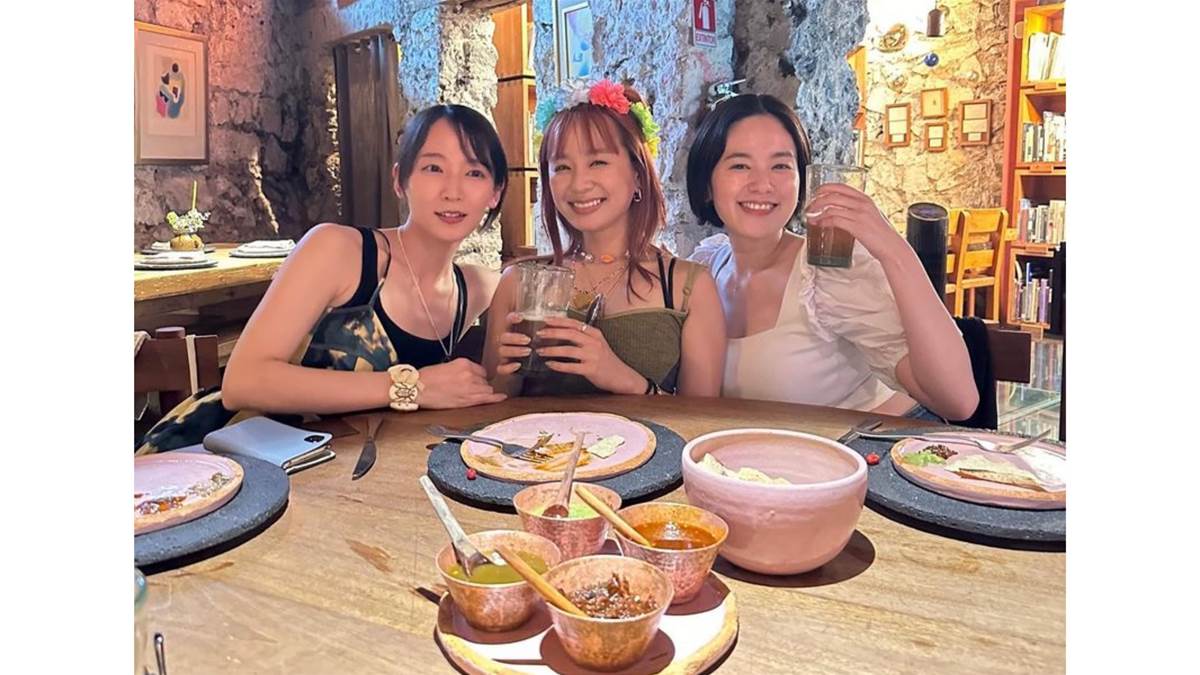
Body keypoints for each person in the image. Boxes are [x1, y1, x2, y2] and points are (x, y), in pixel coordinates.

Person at [139, 104, 509, 453]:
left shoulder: (477, 288)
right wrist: (414, 387)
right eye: (433, 168)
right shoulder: (339, 251)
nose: (453, 191)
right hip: (224, 455)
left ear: (495, 193)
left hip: (344, 469)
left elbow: (503, 371)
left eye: (474, 173)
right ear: (400, 180)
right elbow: (242, 381)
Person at [685, 94, 977, 420]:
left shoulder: (826, 272)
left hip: (875, 442)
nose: (762, 184)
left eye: (780, 166)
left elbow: (958, 402)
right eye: (740, 165)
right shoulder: (706, 266)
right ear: (706, 183)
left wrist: (893, 250)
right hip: (777, 449)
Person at [484, 79, 725, 397]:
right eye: (562, 167)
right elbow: (491, 409)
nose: (579, 184)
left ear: (638, 174)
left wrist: (623, 379)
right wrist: (507, 374)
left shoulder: (689, 287)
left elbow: (701, 419)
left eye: (598, 162)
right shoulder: (518, 282)